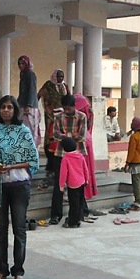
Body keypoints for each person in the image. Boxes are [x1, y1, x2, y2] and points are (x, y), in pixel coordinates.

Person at [0, 95, 39, 279]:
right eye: (3, 107)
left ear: (15, 110)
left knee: (19, 229)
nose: (6, 111)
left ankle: (18, 271)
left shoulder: (23, 132)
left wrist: (10, 166)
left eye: (9, 107)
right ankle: (1, 269)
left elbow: (33, 160)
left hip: (19, 186)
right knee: (1, 230)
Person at [49, 94, 88, 225]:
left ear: (74, 107)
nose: (66, 111)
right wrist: (71, 137)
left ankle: (80, 213)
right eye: (64, 108)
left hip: (78, 155)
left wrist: (65, 137)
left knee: (79, 186)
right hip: (61, 154)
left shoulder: (82, 117)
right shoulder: (58, 117)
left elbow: (82, 136)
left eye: (68, 109)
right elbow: (55, 134)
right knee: (58, 185)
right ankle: (55, 215)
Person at [38, 68, 69, 185]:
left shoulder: (64, 86)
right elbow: (39, 95)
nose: (60, 79)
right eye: (58, 76)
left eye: (62, 76)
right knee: (50, 138)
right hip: (50, 115)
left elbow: (69, 98)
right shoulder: (48, 85)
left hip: (62, 116)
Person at [58, 136, 89, 229]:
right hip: (82, 182)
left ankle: (72, 222)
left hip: (72, 184)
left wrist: (61, 185)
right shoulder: (80, 156)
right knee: (80, 202)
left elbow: (63, 173)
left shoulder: (66, 158)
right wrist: (87, 179)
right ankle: (78, 219)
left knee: (73, 204)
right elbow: (85, 168)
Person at [121, 117, 140, 209]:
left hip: (135, 162)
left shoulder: (134, 137)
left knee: (136, 182)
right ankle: (139, 200)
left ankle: (137, 202)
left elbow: (131, 152)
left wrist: (127, 164)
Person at [16, 55, 41, 147]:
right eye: (19, 64)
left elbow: (32, 90)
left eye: (23, 63)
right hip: (23, 105)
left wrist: (29, 105)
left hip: (29, 107)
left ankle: (31, 148)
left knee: (30, 129)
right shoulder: (23, 74)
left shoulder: (30, 74)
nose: (20, 66)